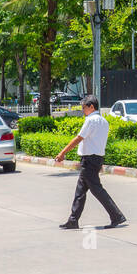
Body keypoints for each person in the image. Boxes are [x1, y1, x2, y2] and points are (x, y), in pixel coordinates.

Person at [56, 95, 126, 230]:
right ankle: (73, 220)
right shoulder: (103, 121)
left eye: (84, 107)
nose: (83, 110)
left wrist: (62, 153)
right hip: (96, 158)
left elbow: (78, 138)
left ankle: (116, 216)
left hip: (89, 159)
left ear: (91, 107)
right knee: (80, 191)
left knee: (97, 190)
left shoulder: (90, 120)